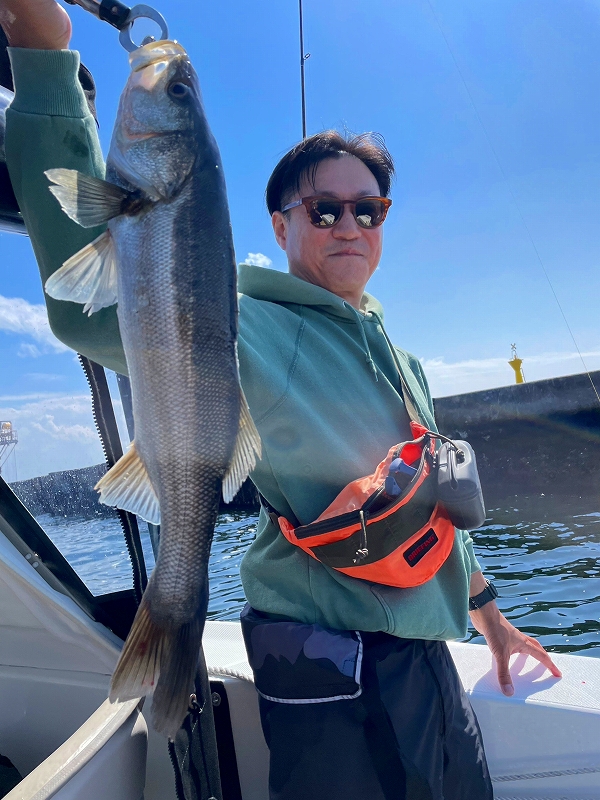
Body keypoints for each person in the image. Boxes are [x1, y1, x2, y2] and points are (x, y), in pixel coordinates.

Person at [1, 2, 561, 797]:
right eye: (323, 209)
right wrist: (46, 55)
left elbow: (429, 502)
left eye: (368, 209)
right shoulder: (241, 321)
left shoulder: (399, 357)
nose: (348, 225)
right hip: (321, 665)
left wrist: (491, 618)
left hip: (425, 663)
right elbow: (83, 309)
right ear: (280, 225)